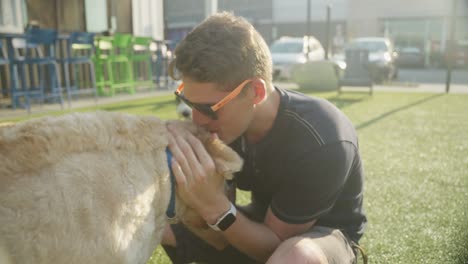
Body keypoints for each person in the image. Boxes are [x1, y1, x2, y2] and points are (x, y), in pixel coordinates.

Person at [162, 12, 367, 264]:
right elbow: (219, 232)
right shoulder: (227, 124)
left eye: (208, 108)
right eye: (187, 103)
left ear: (255, 92)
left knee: (295, 256)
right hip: (261, 222)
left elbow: (272, 246)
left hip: (323, 238)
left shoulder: (321, 138)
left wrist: (215, 207)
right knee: (156, 223)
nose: (196, 120)